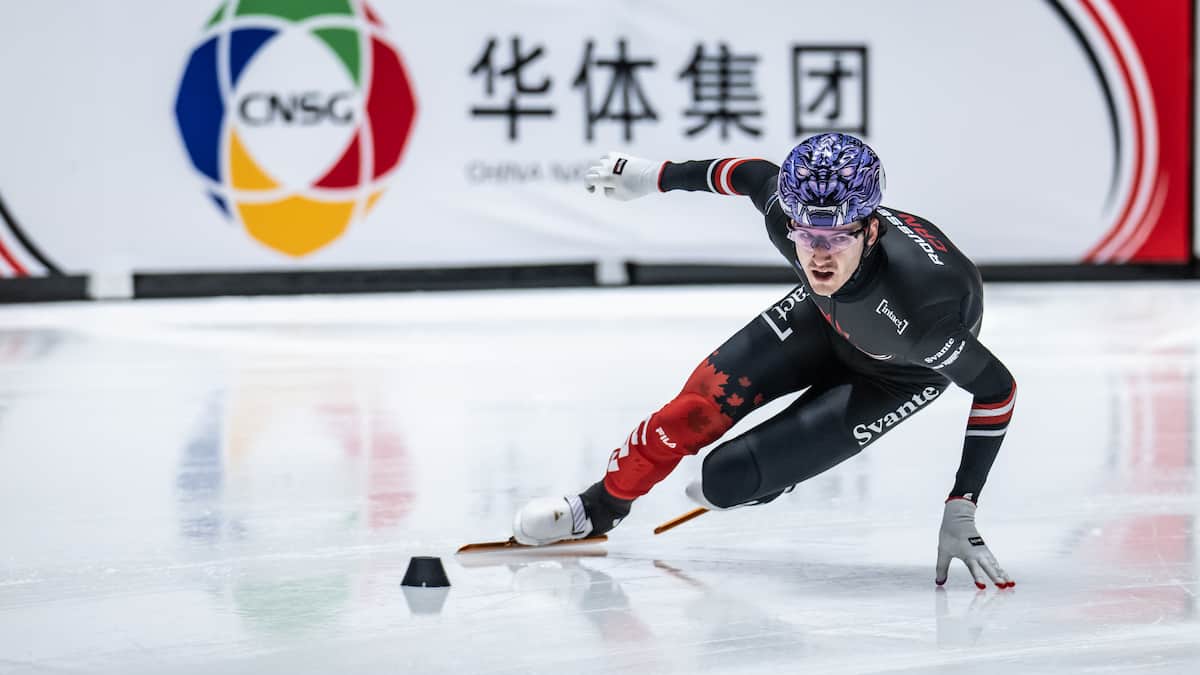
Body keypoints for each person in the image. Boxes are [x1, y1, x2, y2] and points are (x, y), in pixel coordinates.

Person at [513, 133, 1016, 589]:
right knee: (689, 414)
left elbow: (997, 389)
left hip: (897, 376)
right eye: (806, 236)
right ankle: (598, 506)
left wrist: (962, 504)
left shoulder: (924, 314)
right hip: (822, 318)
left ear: (871, 232)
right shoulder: (791, 219)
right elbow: (753, 173)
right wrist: (654, 176)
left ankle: (775, 474)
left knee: (723, 480)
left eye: (837, 238)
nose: (818, 256)